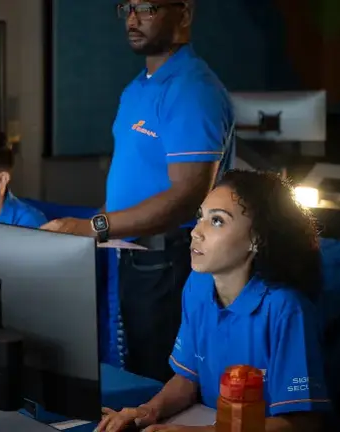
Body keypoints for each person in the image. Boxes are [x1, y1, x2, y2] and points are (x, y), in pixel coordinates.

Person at [41, 0, 235, 382]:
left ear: (183, 13)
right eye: (127, 8)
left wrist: (93, 227)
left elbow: (187, 197)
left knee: (159, 381)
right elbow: (132, 188)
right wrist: (86, 232)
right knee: (136, 376)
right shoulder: (137, 88)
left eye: (147, 8)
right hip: (133, 256)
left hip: (170, 261)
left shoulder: (192, 89)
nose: (133, 19)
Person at [96, 170, 330, 432]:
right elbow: (188, 378)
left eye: (217, 221)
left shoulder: (286, 309)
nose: (196, 232)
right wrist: (146, 412)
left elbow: (302, 423)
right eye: (200, 217)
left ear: (257, 239)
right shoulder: (198, 285)